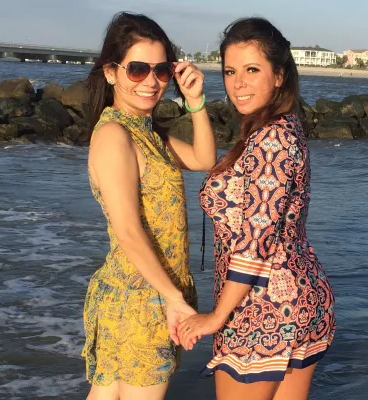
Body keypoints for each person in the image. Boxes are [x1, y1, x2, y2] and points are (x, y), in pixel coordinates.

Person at [178, 17, 336, 400]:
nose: (238, 83)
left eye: (252, 70)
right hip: (302, 299)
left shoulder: (270, 140)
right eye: (231, 71)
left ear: (278, 75)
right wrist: (195, 104)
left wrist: (216, 317)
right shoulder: (286, 126)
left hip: (262, 311)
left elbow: (255, 243)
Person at [82, 12, 216, 400]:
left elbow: (204, 158)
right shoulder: (113, 135)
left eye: (162, 71)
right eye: (138, 69)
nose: (152, 82)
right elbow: (126, 228)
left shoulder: (149, 134)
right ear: (111, 72)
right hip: (140, 299)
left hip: (147, 294)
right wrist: (173, 300)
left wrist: (195, 102)